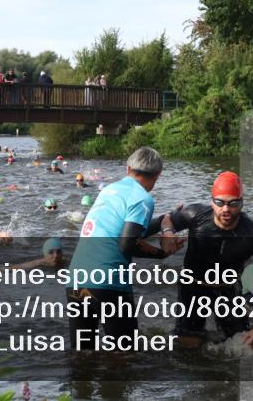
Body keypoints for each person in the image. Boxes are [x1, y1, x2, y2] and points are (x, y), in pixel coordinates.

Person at [66, 147, 177, 349]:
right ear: (158, 174)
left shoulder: (109, 190)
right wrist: (161, 254)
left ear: (128, 169)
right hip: (108, 283)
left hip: (76, 279)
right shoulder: (142, 198)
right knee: (123, 353)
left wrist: (162, 220)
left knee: (81, 352)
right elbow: (127, 243)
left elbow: (126, 231)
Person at [160, 171, 253, 350]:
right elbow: (167, 219)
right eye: (220, 202)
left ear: (242, 202)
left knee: (243, 344)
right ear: (212, 201)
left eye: (233, 203)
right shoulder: (195, 215)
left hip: (228, 288)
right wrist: (167, 233)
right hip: (192, 285)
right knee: (189, 345)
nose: (226, 209)